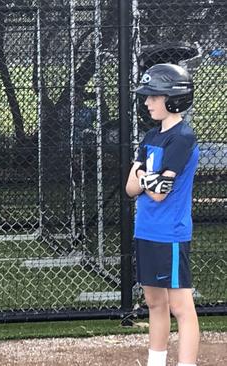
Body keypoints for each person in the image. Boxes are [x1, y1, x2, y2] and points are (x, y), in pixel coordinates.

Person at [125, 63, 200, 366]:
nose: (147, 102)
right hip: (146, 229)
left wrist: (143, 178)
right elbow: (131, 187)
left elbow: (159, 191)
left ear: (174, 98)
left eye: (154, 96)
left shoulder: (182, 137)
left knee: (180, 306)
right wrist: (145, 179)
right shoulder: (150, 137)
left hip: (170, 232)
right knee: (154, 303)